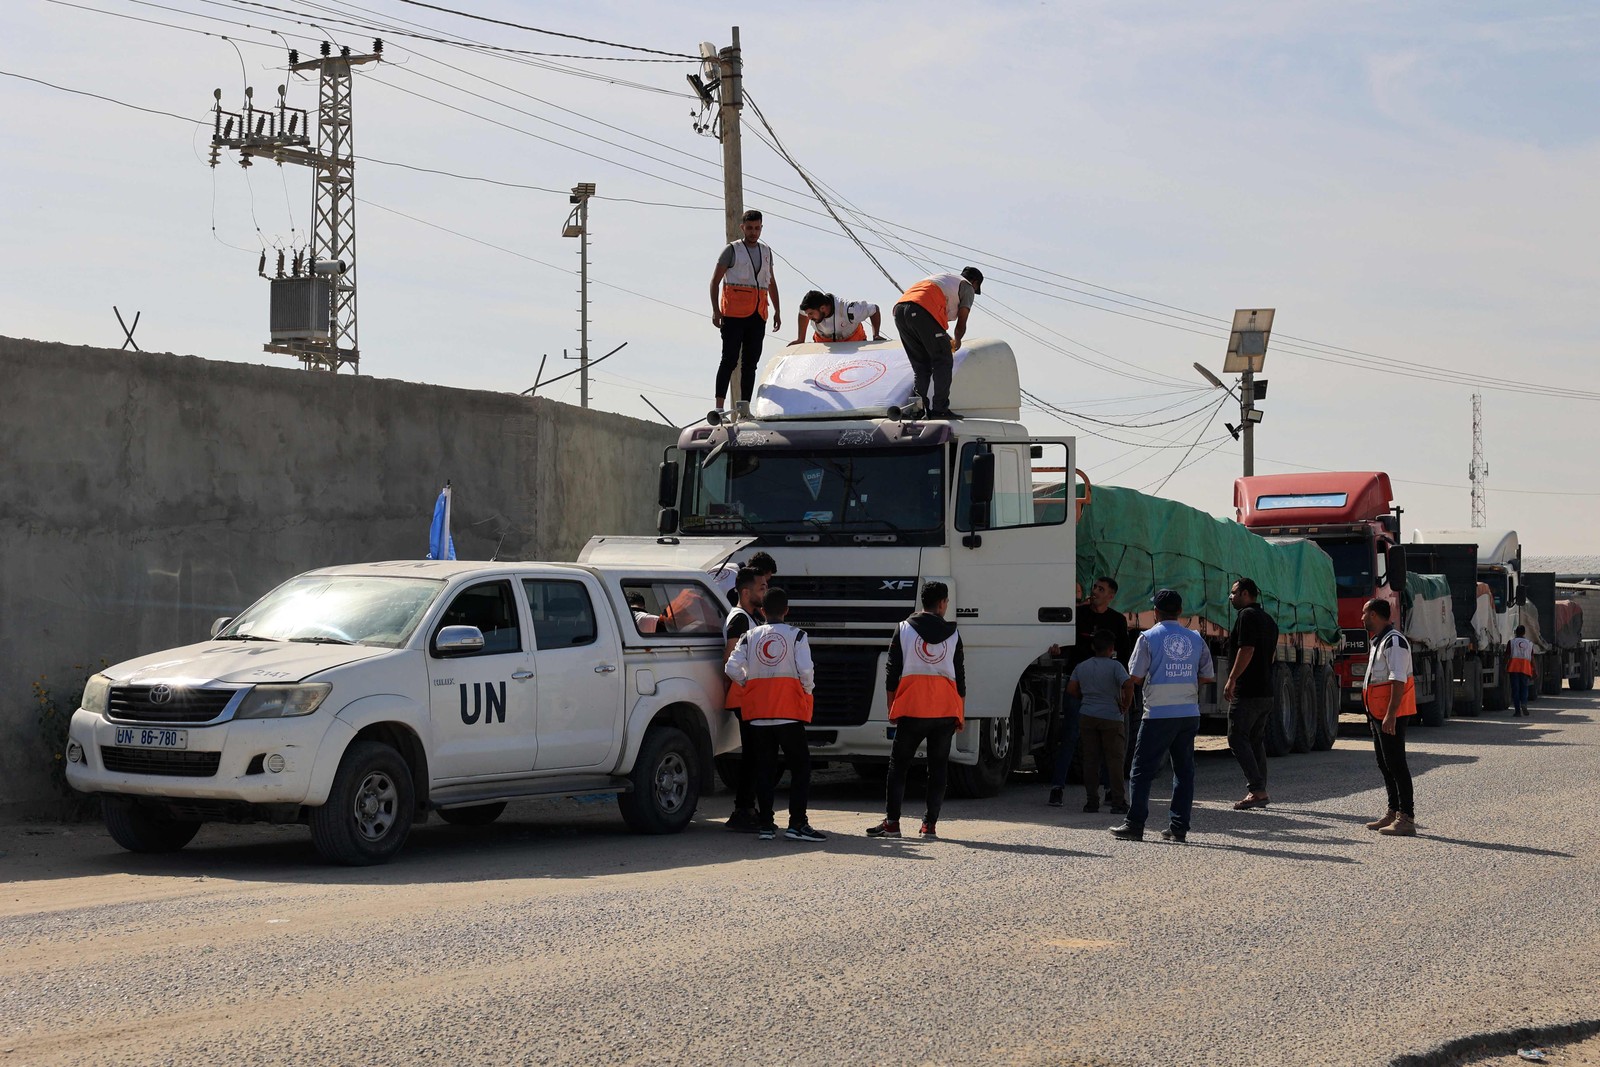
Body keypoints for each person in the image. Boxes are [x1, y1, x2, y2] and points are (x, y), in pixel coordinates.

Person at [1112, 589, 1214, 843]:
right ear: (1180, 612)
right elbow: (1207, 676)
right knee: (1183, 771)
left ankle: (1135, 824)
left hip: (1157, 714)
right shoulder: (1195, 638)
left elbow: (1134, 677)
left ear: (1156, 612)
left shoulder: (1148, 638)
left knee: (1141, 770)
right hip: (1188, 714)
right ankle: (1179, 827)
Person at [724, 587, 826, 842]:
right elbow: (806, 671)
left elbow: (731, 668)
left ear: (762, 610)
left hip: (758, 714)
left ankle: (767, 825)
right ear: (786, 610)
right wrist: (806, 690)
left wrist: (749, 684)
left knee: (765, 768)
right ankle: (797, 823)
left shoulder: (749, 635)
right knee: (800, 767)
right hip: (789, 713)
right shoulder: (798, 636)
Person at [868, 581, 965, 840]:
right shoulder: (954, 634)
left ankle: (892, 823)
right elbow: (961, 677)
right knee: (938, 768)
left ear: (922, 602)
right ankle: (929, 826)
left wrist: (892, 705)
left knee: (898, 766)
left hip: (912, 709)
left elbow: (892, 671)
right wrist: (960, 712)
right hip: (944, 710)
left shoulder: (903, 629)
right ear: (943, 603)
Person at [1047, 576, 1130, 807]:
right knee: (1071, 736)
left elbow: (1124, 657)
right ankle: (1057, 788)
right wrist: (1056, 649)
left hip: (1105, 689)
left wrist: (1123, 690)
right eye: (1094, 587)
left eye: (1101, 589)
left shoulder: (1116, 621)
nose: (1094, 591)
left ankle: (1109, 791)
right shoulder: (1079, 615)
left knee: (1108, 741)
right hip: (1079, 684)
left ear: (1111, 595)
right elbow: (1063, 643)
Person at [709, 209, 781, 410]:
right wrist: (716, 310)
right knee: (729, 360)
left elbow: (771, 282)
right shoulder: (732, 250)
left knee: (750, 364)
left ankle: (744, 408)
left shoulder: (766, 252)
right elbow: (715, 281)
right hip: (733, 315)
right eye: (749, 228)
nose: (753, 232)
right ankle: (719, 408)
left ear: (761, 228)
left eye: (757, 228)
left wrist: (777, 310)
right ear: (742, 228)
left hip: (758, 315)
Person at [891, 267, 983, 417]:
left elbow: (931, 325)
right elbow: (962, 320)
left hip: (900, 311)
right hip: (921, 309)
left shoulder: (943, 279)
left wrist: (946, 339)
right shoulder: (967, 287)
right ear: (975, 282)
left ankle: (917, 409)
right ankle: (940, 410)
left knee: (921, 366)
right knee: (944, 360)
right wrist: (957, 340)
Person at [1362, 598, 1417, 836]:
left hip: (1390, 713)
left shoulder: (1394, 641)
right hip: (1378, 712)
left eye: (1364, 613)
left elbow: (1398, 679)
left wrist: (1391, 715)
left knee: (1396, 763)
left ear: (1374, 615)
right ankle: (1393, 811)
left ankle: (1407, 817)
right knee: (1384, 763)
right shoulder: (1379, 641)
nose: (1361, 618)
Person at [1223, 577, 1279, 810]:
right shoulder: (1268, 619)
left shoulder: (1246, 616)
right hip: (1266, 690)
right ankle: (1260, 789)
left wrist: (1232, 679)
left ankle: (1256, 790)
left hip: (1249, 691)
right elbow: (1272, 656)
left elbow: (1246, 649)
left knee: (1236, 737)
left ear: (1246, 594)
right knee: (1255, 740)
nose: (1230, 597)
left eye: (1234, 592)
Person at [721, 566, 769, 833]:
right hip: (745, 697)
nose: (765, 591)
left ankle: (746, 808)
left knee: (754, 754)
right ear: (746, 591)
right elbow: (729, 658)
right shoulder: (740, 619)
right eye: (761, 587)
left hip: (750, 697)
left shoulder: (752, 618)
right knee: (753, 754)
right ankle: (743, 810)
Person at [1069, 630, 1132, 813]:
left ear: (1092, 647)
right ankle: (1118, 802)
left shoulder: (1082, 667)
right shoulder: (1116, 667)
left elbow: (1072, 689)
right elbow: (1128, 684)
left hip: (1088, 715)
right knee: (1114, 761)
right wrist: (1125, 705)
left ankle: (1091, 801)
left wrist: (1085, 697)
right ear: (1111, 649)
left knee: (1090, 760)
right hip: (1112, 717)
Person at [790, 291, 884, 345]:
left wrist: (876, 335)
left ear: (822, 308)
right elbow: (802, 313)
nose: (809, 318)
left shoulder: (850, 310)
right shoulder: (809, 309)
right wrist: (800, 339)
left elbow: (874, 309)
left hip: (853, 344)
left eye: (811, 314)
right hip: (825, 344)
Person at [1507, 625, 1535, 717]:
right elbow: (1532, 658)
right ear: (1524, 633)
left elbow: (1507, 655)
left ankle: (1517, 711)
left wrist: (1504, 667)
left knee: (1515, 690)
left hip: (1513, 668)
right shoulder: (1529, 643)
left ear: (1515, 632)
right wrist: (1535, 670)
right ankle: (1524, 703)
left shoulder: (1511, 642)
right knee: (1524, 688)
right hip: (1525, 669)